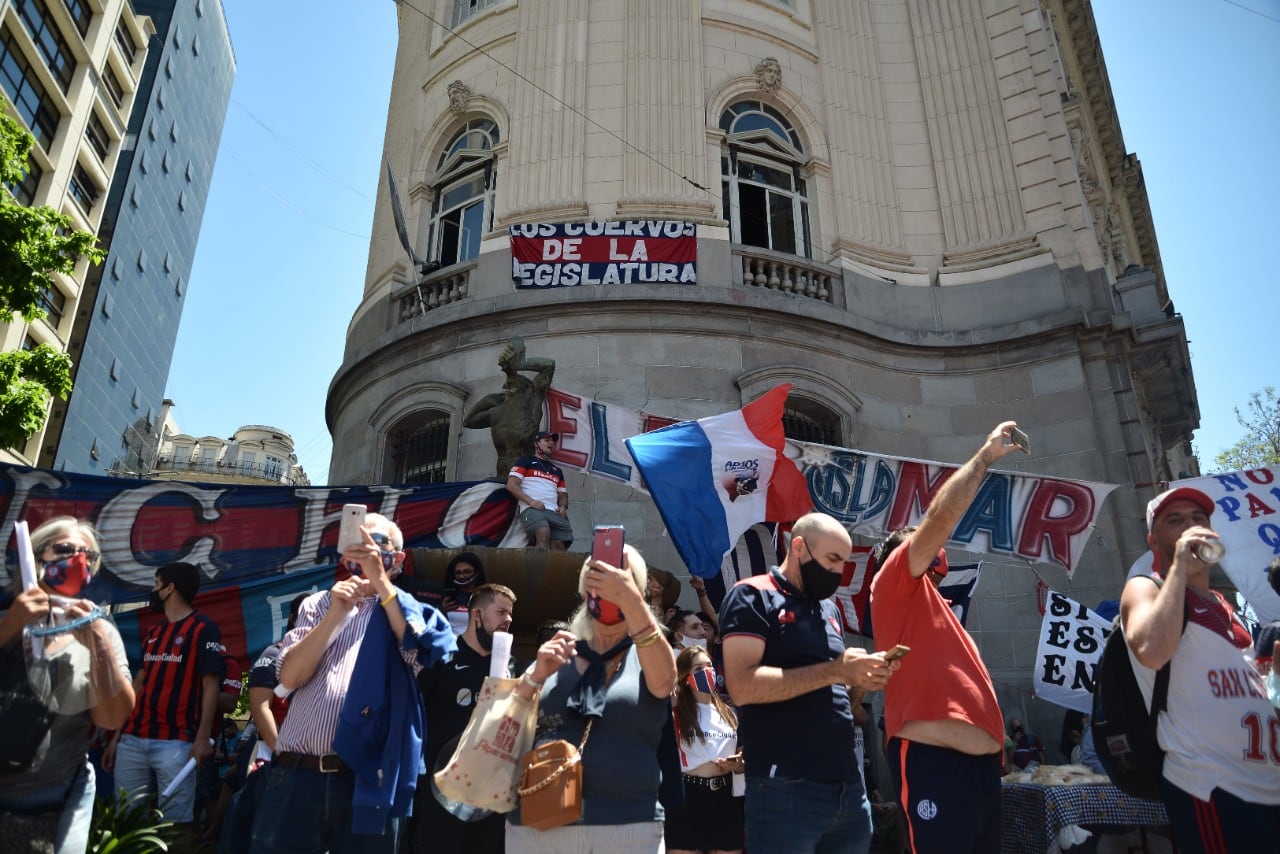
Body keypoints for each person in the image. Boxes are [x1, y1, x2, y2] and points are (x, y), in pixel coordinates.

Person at [248, 512, 456, 853]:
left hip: (366, 780)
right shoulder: (317, 604)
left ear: (398, 559)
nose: (366, 550)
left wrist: (380, 583)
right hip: (298, 775)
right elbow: (289, 677)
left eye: (377, 543)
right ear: (345, 556)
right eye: (359, 543)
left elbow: (421, 651)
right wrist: (337, 612)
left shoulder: (410, 612)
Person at [869, 422, 1023, 854]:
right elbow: (940, 518)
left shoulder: (937, 614)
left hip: (981, 774)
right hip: (933, 764)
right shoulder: (894, 583)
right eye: (928, 556)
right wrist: (985, 458)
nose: (939, 565)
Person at [720, 511, 897, 854]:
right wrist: (835, 669)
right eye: (832, 558)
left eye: (844, 563)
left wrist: (862, 680)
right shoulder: (752, 596)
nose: (837, 571)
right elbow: (741, 686)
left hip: (848, 788)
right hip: (784, 787)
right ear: (798, 547)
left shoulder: (829, 610)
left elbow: (833, 692)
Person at [1121, 486, 1280, 851]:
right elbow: (1151, 649)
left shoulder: (1228, 607)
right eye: (1175, 521)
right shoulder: (1145, 588)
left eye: (1198, 519)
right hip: (1213, 791)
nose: (1190, 527)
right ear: (1154, 540)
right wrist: (1178, 568)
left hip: (1267, 788)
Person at [506, 544, 677, 853]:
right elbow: (507, 726)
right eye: (596, 580)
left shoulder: (649, 656)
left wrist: (631, 600)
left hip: (627, 828)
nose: (607, 589)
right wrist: (533, 678)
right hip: (539, 827)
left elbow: (665, 683)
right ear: (585, 591)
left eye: (620, 581)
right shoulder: (557, 653)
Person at [0, 517, 134, 853]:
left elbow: (112, 719)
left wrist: (100, 648)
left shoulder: (99, 625)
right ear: (35, 556)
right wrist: (9, 628)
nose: (77, 560)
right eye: (64, 550)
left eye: (87, 556)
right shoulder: (6, 613)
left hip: (48, 805)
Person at [106, 560, 225, 835]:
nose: (153, 590)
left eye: (156, 584)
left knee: (173, 828)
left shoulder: (204, 629)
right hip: (132, 740)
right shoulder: (154, 632)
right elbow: (139, 683)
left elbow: (212, 687)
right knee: (127, 823)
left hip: (177, 743)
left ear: (170, 588)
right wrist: (117, 735)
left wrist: (201, 737)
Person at [409, 582, 517, 854]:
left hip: (488, 795)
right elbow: (415, 715)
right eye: (501, 612)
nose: (509, 620)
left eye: (511, 614)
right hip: (441, 792)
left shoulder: (509, 665)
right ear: (476, 615)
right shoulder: (443, 658)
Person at [219, 593, 307, 853]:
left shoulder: (325, 659)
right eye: (307, 614)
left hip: (306, 762)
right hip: (271, 755)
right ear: (292, 618)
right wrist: (282, 751)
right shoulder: (274, 653)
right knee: (250, 819)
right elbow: (259, 708)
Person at [665, 646, 745, 854]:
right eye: (698, 668)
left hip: (726, 797)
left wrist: (738, 765)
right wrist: (672, 696)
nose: (707, 671)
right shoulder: (676, 710)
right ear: (685, 677)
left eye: (709, 665)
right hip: (688, 796)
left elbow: (741, 754)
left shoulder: (729, 712)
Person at [463, 337, 556, 479]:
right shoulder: (496, 412)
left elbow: (549, 365)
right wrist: (485, 401)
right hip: (502, 476)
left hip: (526, 477)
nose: (508, 389)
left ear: (523, 388)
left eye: (512, 386)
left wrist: (520, 364)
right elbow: (468, 422)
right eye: (507, 386)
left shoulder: (531, 401)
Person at [506, 431, 572, 550]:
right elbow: (511, 485)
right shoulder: (525, 461)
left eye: (553, 441)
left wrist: (562, 507)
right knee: (543, 533)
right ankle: (538, 567)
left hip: (554, 512)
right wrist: (531, 502)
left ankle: (555, 568)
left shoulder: (557, 470)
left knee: (559, 546)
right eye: (547, 440)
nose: (551, 443)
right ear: (536, 444)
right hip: (529, 511)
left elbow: (563, 496)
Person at [439, 551, 487, 635]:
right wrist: (442, 610)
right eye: (458, 573)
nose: (462, 576)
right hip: (452, 644)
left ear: (477, 572)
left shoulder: (487, 596)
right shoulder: (448, 595)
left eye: (467, 572)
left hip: (477, 644)